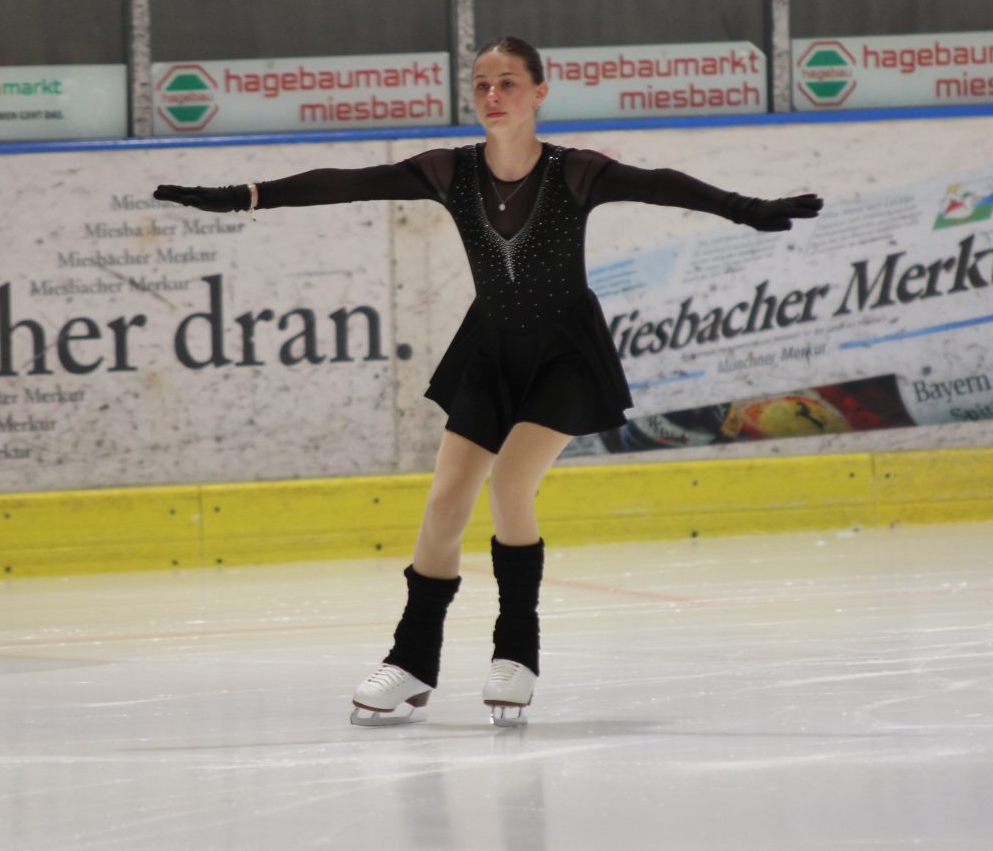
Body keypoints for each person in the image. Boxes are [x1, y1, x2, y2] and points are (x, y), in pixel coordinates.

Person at [155, 36, 823, 728]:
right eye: (481, 85)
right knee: (445, 501)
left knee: (509, 486)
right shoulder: (452, 171)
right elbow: (347, 182)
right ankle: (413, 660)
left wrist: (746, 208)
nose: (492, 96)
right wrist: (246, 197)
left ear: (539, 93)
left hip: (566, 355)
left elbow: (660, 184)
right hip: (489, 351)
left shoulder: (575, 173)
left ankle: (516, 651)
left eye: (507, 83)